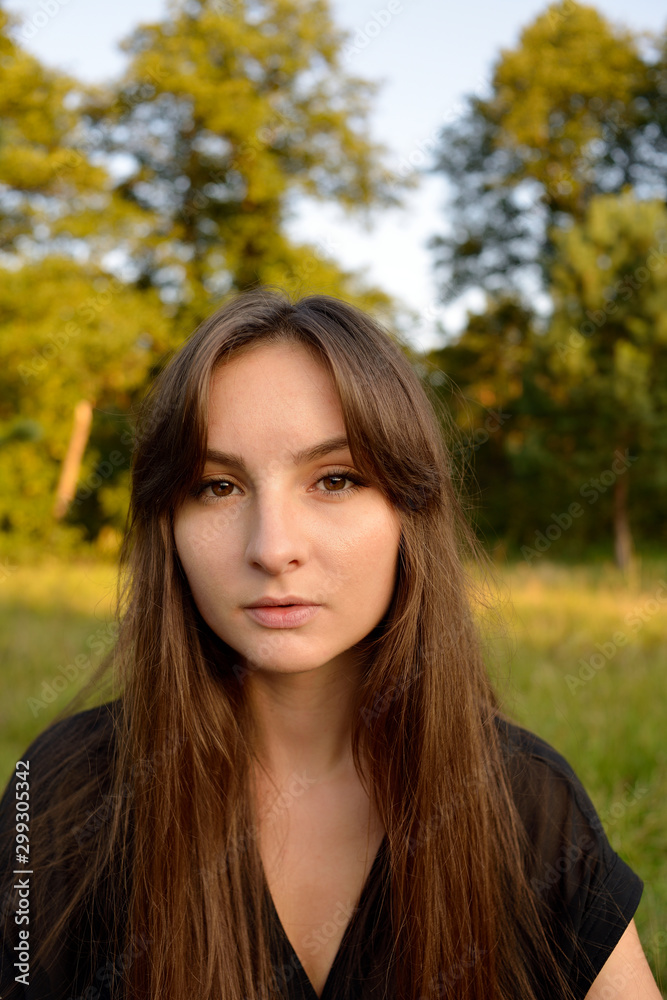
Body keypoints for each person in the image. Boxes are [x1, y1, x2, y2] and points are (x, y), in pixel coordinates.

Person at [0, 288, 660, 1000]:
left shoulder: (523, 800)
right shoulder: (64, 791)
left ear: (410, 510)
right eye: (218, 487)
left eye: (335, 479)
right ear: (169, 524)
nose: (273, 547)